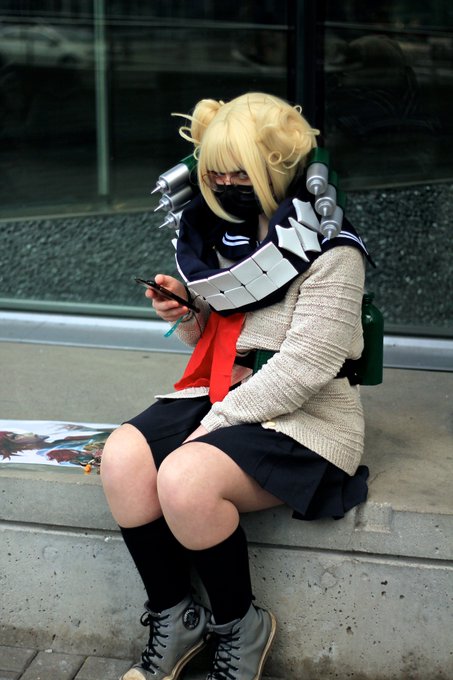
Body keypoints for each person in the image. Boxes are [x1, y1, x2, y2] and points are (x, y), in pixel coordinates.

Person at [100, 92, 371, 680]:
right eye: (216, 171)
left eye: (240, 172)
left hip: (307, 413)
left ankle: (241, 629)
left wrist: (213, 423)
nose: (224, 183)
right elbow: (218, 338)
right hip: (227, 388)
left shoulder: (333, 250)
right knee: (122, 458)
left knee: (185, 477)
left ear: (277, 168)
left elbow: (303, 369)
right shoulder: (227, 236)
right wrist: (184, 311)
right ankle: (175, 615)